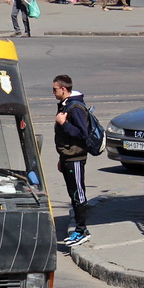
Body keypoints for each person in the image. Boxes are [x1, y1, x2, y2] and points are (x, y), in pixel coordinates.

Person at [53, 74, 91, 247]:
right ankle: (78, 229)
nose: (53, 92)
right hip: (68, 157)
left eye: (55, 89)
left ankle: (82, 230)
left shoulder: (75, 107)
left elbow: (83, 134)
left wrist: (64, 124)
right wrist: (62, 158)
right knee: (72, 193)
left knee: (78, 193)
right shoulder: (65, 105)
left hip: (76, 158)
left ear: (63, 89)